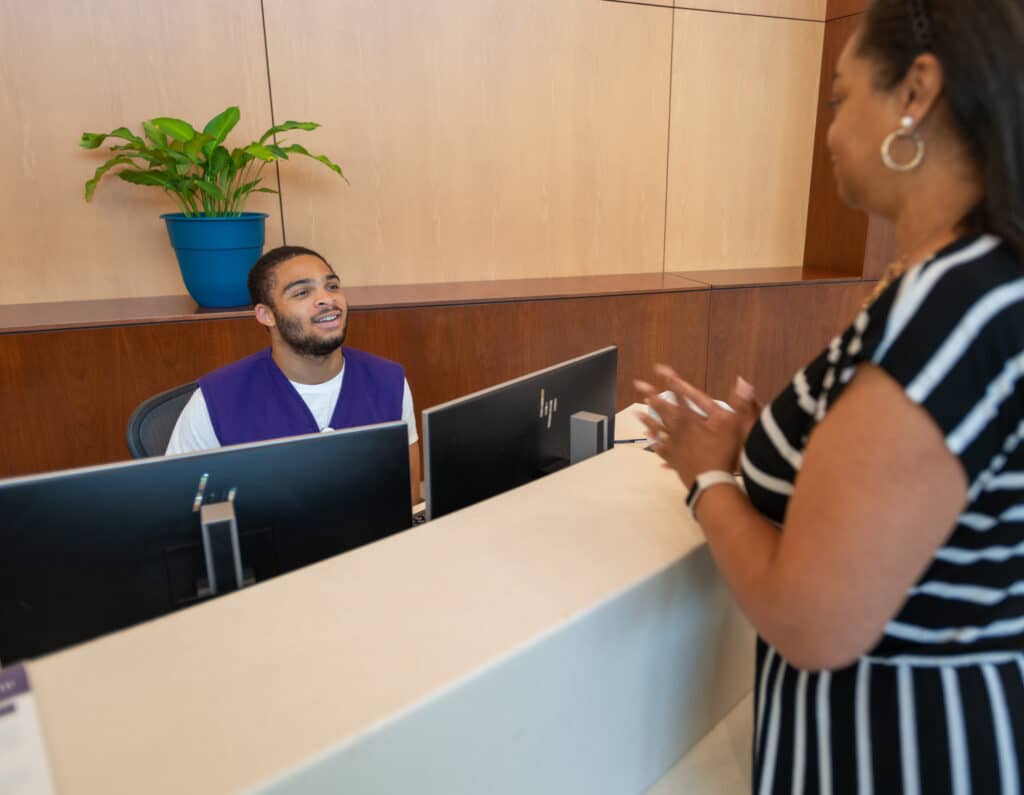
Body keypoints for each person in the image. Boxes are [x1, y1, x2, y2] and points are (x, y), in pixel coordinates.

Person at [636, 1, 1024, 791]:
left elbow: (814, 619)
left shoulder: (949, 302)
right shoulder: (964, 282)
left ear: (916, 91)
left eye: (840, 100)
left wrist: (707, 474)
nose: (830, 133)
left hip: (907, 752)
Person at [166, 245, 421, 502]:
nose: (326, 299)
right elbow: (179, 508)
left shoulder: (389, 382)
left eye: (332, 287)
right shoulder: (214, 402)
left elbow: (409, 501)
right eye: (302, 292)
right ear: (266, 315)